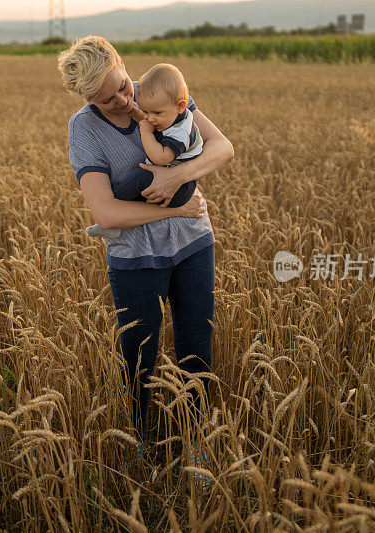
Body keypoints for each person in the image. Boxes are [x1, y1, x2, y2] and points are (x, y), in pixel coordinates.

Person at [57, 36, 234, 482]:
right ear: (87, 99)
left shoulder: (158, 89)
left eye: (121, 86)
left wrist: (178, 174)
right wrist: (174, 204)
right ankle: (141, 441)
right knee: (139, 355)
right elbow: (105, 212)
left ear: (123, 65)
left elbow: (222, 147)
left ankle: (195, 445)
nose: (121, 101)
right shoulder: (84, 129)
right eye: (104, 98)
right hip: (135, 257)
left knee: (196, 344)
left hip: (193, 243)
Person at [86, 62, 202, 240]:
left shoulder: (181, 130)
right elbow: (157, 126)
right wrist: (138, 114)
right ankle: (114, 222)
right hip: (177, 182)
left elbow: (161, 157)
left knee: (141, 176)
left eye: (155, 113)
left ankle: (115, 208)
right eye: (146, 111)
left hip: (181, 188)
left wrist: (145, 131)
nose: (150, 118)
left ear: (180, 105)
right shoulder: (172, 114)